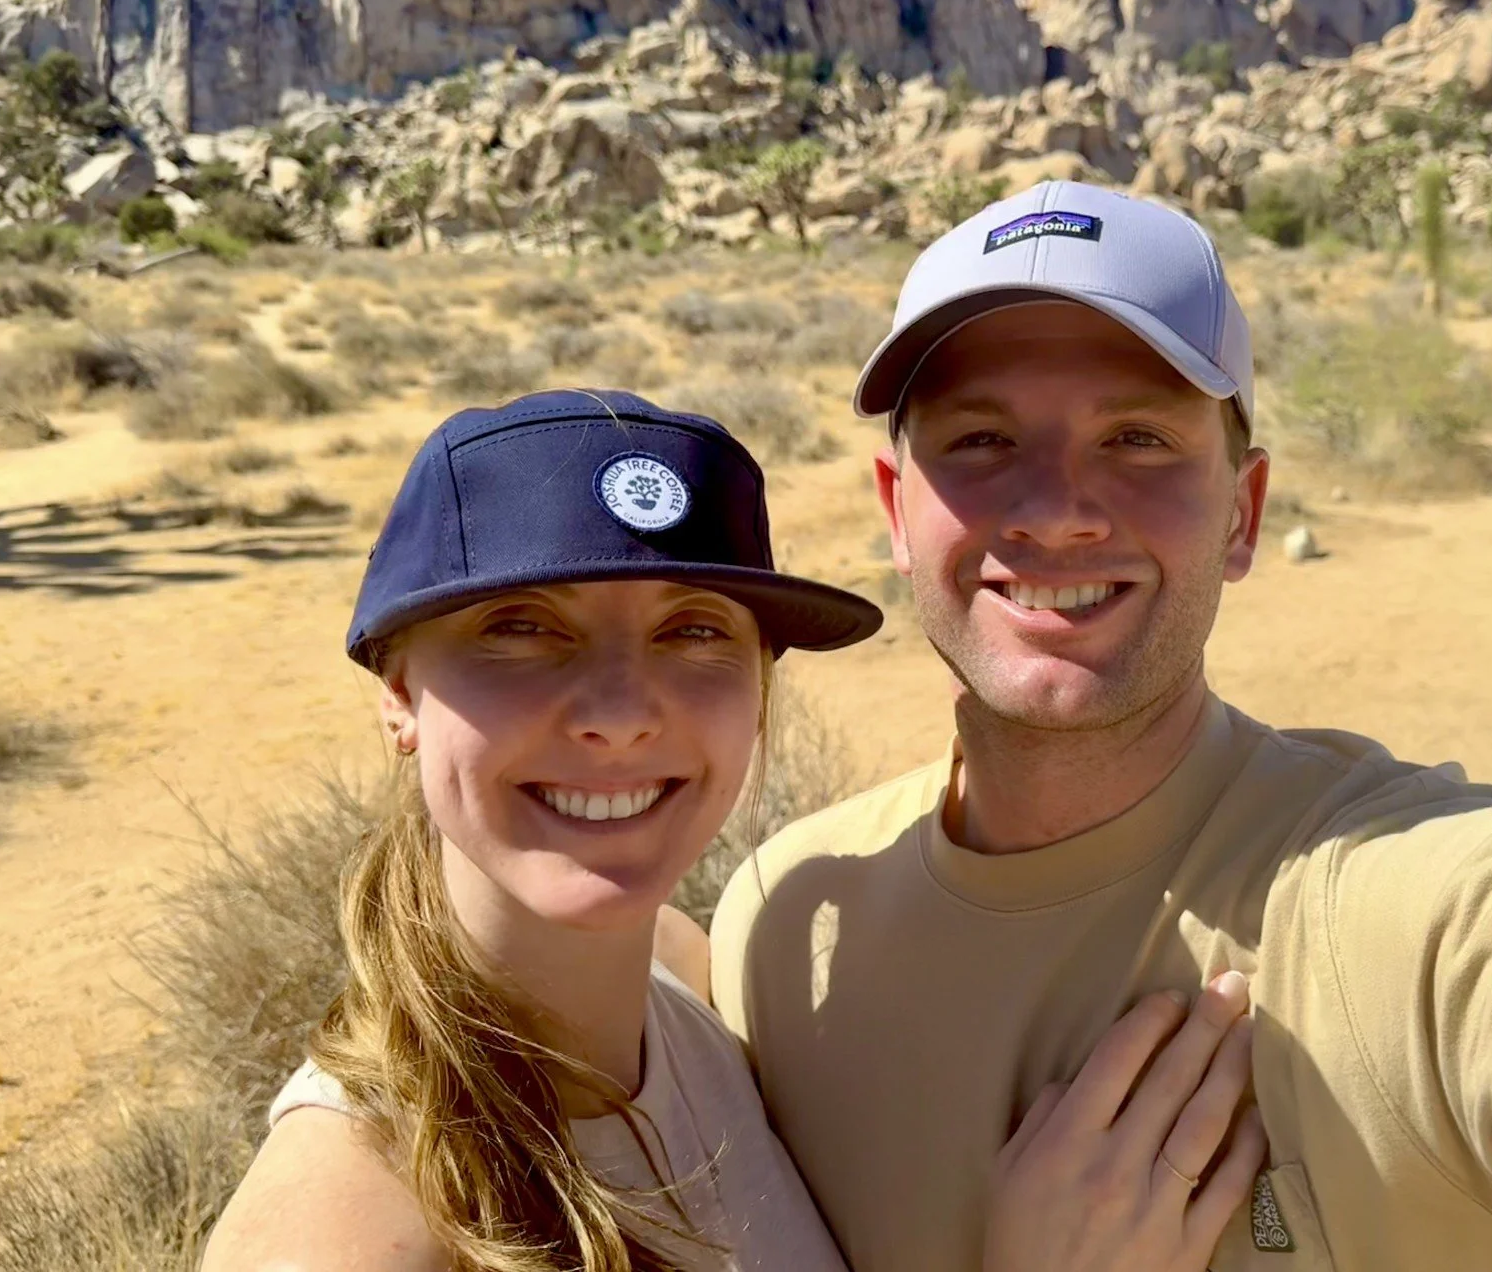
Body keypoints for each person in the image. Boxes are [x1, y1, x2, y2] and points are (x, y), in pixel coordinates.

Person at [710, 183, 1492, 1272]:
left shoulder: (1417, 915)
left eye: (1138, 440)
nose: (1055, 507)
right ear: (893, 513)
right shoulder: (785, 927)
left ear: (1244, 515)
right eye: (981, 441)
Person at [202, 388, 1267, 1272]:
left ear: (758, 692)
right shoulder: (342, 1226)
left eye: (693, 630)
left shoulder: (691, 993)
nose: (621, 711)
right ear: (398, 693)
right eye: (522, 629)